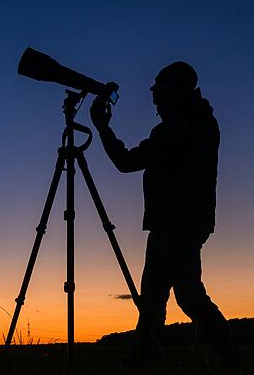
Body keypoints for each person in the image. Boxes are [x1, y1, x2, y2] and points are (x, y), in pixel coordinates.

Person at [89, 62, 236, 369]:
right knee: (154, 298)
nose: (152, 91)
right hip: (173, 222)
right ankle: (142, 357)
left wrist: (102, 127)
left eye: (159, 85)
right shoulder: (193, 121)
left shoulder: (179, 127)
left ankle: (229, 354)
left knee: (188, 295)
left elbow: (126, 161)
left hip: (177, 222)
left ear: (177, 90)